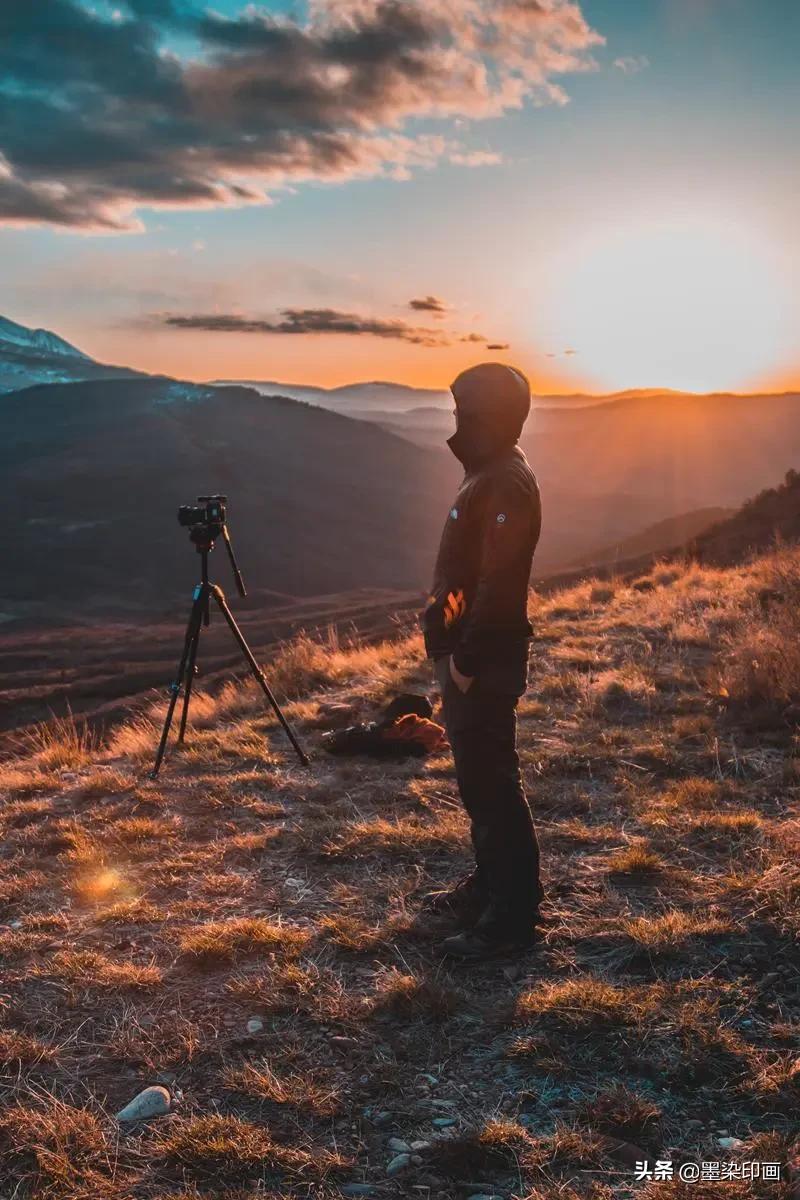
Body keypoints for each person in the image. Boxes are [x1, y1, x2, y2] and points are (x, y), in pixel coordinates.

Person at [422, 362, 544, 959]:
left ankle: (511, 921)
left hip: (484, 661)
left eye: (463, 411)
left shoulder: (503, 483)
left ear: (487, 416)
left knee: (493, 783)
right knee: (479, 781)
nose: (455, 420)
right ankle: (491, 885)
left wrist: (465, 658)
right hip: (471, 656)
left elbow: (499, 581)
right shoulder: (489, 474)